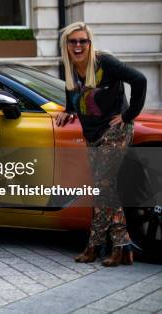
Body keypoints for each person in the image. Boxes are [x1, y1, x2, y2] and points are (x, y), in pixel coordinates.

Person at [55, 22, 146, 266]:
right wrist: (68, 109)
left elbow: (140, 80)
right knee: (105, 189)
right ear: (66, 45)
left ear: (89, 42)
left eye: (82, 41)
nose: (77, 46)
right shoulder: (67, 66)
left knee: (103, 187)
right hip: (92, 133)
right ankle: (121, 247)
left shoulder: (105, 62)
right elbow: (72, 91)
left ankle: (95, 246)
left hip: (115, 131)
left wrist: (128, 116)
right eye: (72, 41)